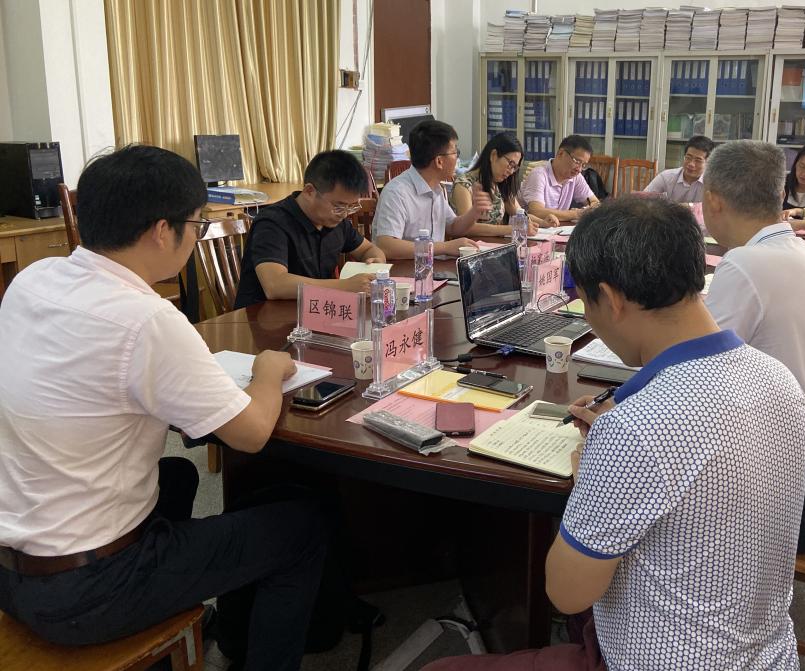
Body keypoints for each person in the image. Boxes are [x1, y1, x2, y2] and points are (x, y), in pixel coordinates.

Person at [425, 196, 805, 670]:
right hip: (769, 654)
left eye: (585, 301)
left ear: (610, 299)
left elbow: (566, 593)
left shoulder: (635, 428)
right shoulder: (780, 380)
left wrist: (594, 473)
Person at [0, 145, 329, 671]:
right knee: (302, 528)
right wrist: (267, 372)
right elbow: (250, 434)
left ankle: (175, 608)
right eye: (197, 225)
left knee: (177, 474)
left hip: (12, 569)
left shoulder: (33, 279)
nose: (197, 237)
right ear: (161, 230)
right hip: (85, 590)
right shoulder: (147, 319)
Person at [702, 140, 805, 554]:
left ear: (713, 200)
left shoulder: (745, 264)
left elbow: (694, 384)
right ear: (779, 194)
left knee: (639, 479)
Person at [234, 149, 388, 308]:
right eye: (338, 206)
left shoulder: (335, 221)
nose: (344, 214)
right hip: (264, 317)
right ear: (309, 191)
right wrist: (344, 286)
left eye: (351, 207)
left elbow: (368, 249)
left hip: (314, 311)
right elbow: (275, 285)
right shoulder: (272, 223)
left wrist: (376, 262)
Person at [373, 120, 491, 259]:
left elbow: (453, 227)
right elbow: (386, 246)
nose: (457, 159)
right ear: (439, 161)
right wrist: (445, 247)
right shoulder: (397, 192)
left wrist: (474, 212)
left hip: (433, 268)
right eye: (455, 152)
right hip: (405, 270)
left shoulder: (436, 188)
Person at [449, 132, 555, 236]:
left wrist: (543, 222)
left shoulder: (499, 184)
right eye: (510, 164)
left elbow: (520, 214)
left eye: (515, 167)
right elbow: (467, 228)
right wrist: (512, 229)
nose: (511, 171)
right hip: (471, 246)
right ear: (494, 155)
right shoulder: (464, 185)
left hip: (494, 244)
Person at [519, 135, 600, 222]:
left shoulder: (576, 177)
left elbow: (595, 203)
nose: (579, 169)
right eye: (577, 161)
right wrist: (576, 214)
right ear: (561, 153)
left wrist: (586, 209)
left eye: (583, 165)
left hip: (555, 228)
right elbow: (536, 211)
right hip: (526, 227)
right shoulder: (539, 174)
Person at [642, 134, 714, 203]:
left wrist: (689, 206)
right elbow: (644, 198)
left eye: (698, 160)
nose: (691, 164)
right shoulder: (666, 177)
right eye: (688, 158)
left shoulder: (712, 183)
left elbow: (716, 208)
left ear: (709, 163)